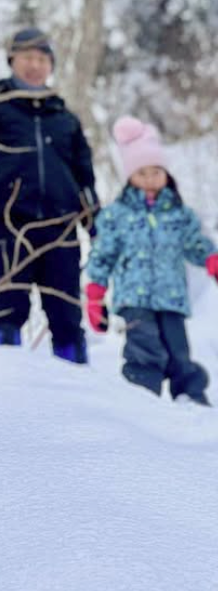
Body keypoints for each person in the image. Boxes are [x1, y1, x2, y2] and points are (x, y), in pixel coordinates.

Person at [83, 116, 218, 405]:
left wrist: (213, 259)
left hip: (171, 297)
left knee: (179, 353)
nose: (150, 179)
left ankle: (191, 400)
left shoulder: (177, 213)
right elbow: (102, 255)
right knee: (144, 351)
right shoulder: (116, 215)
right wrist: (95, 292)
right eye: (142, 173)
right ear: (130, 177)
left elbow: (194, 242)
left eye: (156, 172)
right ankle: (142, 404)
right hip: (134, 300)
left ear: (166, 174)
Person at [0, 27, 98, 362]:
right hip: (9, 229)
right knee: (5, 310)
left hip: (61, 231)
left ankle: (74, 385)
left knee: (66, 313)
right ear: (12, 60)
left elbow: (84, 175)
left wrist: (94, 222)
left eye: (42, 58)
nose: (35, 65)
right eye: (27, 57)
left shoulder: (64, 117)